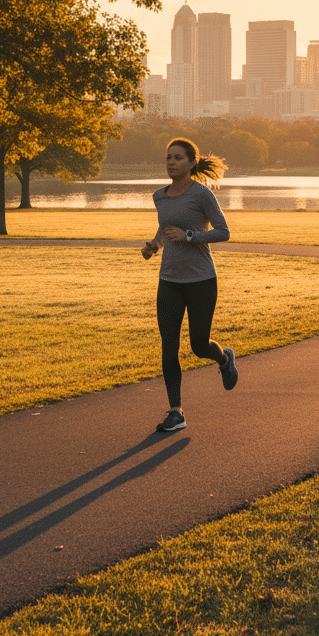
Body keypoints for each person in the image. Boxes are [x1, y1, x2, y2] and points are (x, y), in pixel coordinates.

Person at [141, 137, 237, 433]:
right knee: (168, 349)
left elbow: (224, 232)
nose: (171, 162)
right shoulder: (160, 196)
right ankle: (176, 412)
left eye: (178, 158)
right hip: (169, 280)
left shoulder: (202, 194)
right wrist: (154, 245)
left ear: (192, 163)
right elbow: (164, 227)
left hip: (201, 280)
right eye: (168, 157)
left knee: (198, 345)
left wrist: (190, 236)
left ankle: (224, 358)